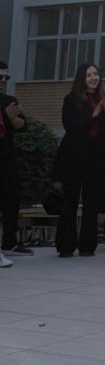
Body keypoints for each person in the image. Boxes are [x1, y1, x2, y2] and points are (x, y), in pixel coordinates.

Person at [54, 63, 105, 257]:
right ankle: (66, 245)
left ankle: (88, 245)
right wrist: (94, 114)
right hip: (73, 155)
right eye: (89, 75)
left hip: (95, 156)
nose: (93, 78)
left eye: (96, 74)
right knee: (70, 201)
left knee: (92, 201)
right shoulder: (72, 99)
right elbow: (71, 126)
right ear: (81, 78)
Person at [0, 61, 29, 265]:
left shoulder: (8, 100)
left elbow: (22, 125)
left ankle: (10, 240)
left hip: (7, 155)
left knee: (12, 196)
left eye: (6, 77)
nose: (3, 81)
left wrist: (12, 118)